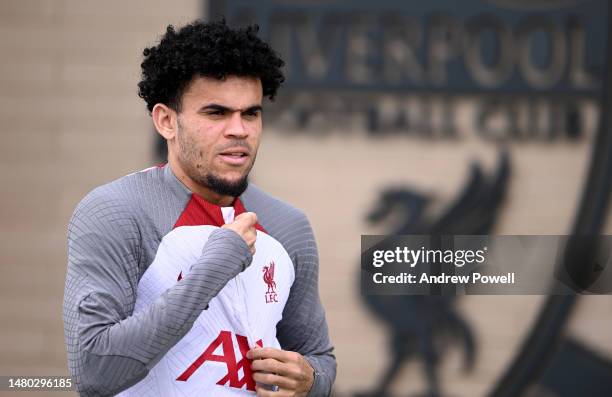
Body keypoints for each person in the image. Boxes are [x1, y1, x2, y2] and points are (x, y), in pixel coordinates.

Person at [62, 19, 336, 397]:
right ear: (166, 121)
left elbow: (318, 356)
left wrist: (312, 379)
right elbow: (93, 372)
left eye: (251, 113)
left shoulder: (288, 225)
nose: (239, 130)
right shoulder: (114, 212)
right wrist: (220, 262)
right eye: (216, 113)